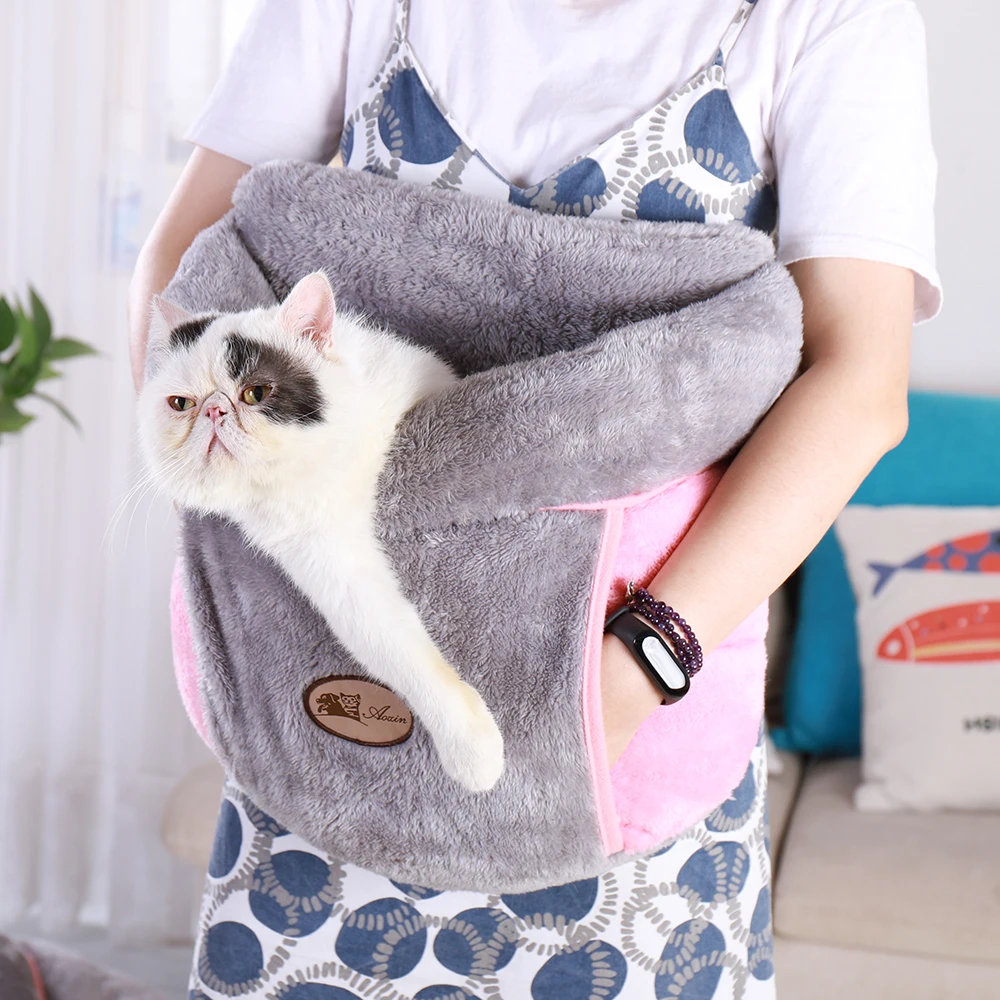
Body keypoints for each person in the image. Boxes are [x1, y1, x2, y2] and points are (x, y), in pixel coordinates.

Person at [130, 0, 940, 995]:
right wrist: (240, 550)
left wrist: (638, 668)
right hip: (331, 711)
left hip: (625, 722)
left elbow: (858, 385)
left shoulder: (827, 17)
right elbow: (183, 274)